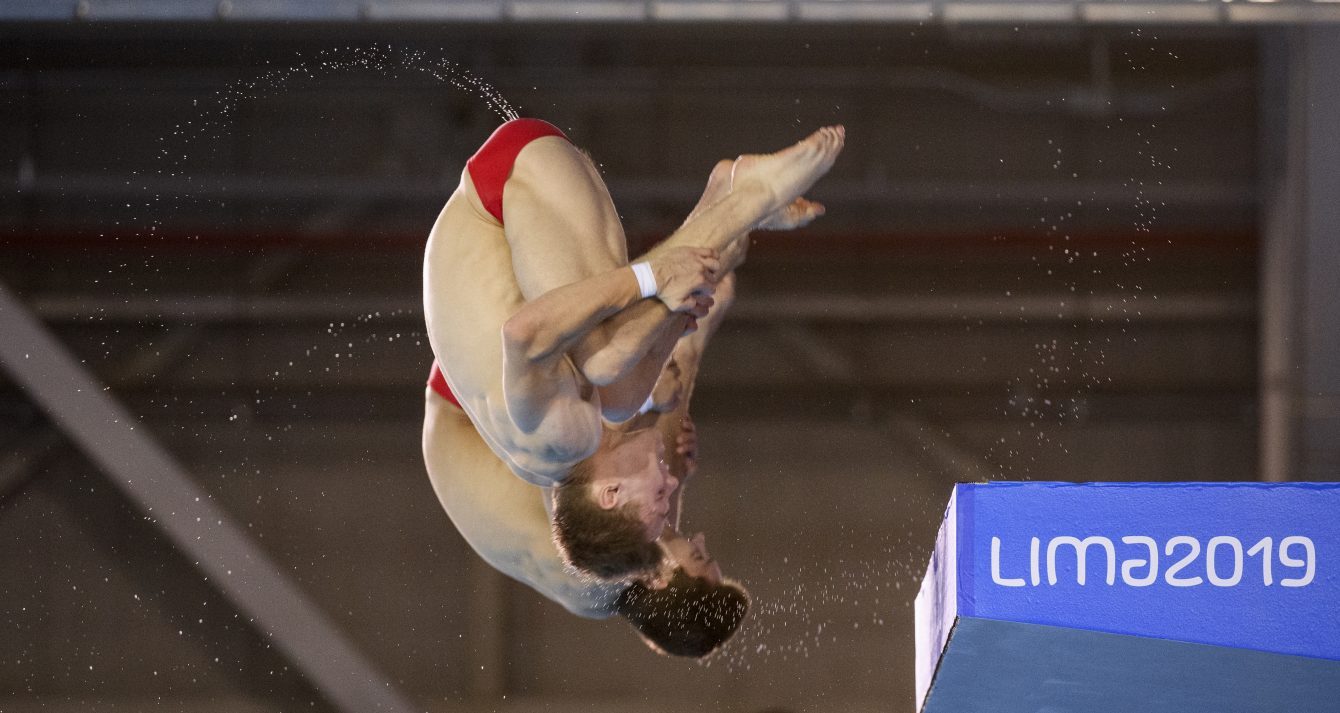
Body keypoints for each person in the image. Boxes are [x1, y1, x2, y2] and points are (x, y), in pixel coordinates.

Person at [423, 118, 843, 577]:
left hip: (505, 184)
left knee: (605, 360)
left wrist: (652, 278)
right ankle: (725, 207)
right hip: (508, 194)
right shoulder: (567, 454)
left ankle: (746, 201)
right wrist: (679, 313)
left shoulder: (560, 441)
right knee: (624, 394)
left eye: (660, 497)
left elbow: (521, 335)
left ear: (610, 495)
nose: (671, 480)